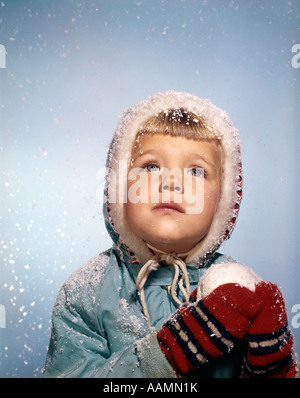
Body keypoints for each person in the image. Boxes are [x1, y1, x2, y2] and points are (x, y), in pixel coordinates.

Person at [43, 90, 297, 378]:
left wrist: (273, 367)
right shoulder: (86, 292)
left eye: (197, 172)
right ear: (119, 187)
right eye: (151, 166)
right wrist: (170, 353)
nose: (172, 183)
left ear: (223, 200)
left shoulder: (242, 291)